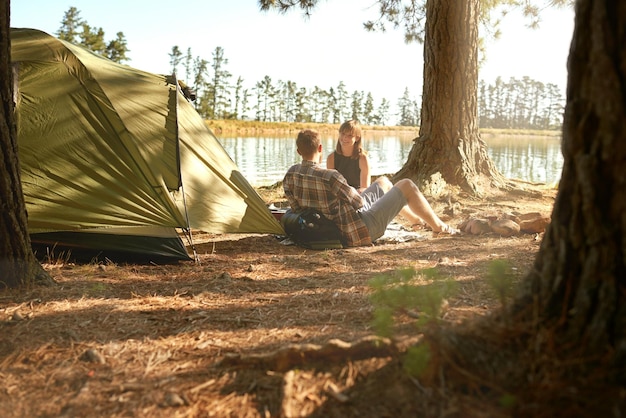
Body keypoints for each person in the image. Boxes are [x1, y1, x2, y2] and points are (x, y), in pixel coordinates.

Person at [283, 129, 459, 248]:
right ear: (320, 148)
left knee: (383, 182)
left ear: (299, 151)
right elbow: (359, 202)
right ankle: (439, 227)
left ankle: (415, 220)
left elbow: (297, 209)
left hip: (327, 225)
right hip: (357, 230)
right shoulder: (330, 176)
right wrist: (350, 191)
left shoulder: (290, 175)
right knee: (407, 185)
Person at [326, 120, 433, 230]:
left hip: (359, 197)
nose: (344, 138)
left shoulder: (362, 158)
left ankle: (416, 220)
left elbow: (364, 187)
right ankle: (415, 220)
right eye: (342, 134)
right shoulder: (331, 158)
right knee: (386, 186)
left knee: (384, 188)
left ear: (357, 138)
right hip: (342, 198)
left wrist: (358, 192)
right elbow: (331, 185)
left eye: (349, 135)